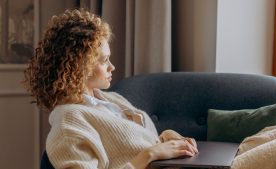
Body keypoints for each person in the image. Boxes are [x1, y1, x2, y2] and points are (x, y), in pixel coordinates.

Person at [24, 9, 198, 169]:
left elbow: (131, 147)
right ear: (79, 66)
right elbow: (141, 154)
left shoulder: (112, 99)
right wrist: (150, 154)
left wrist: (167, 139)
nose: (112, 67)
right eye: (104, 60)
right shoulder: (68, 124)